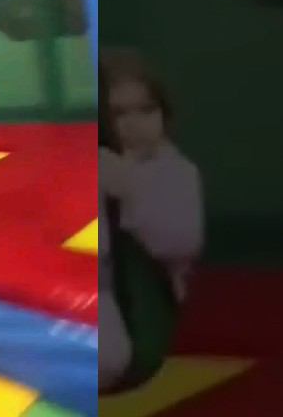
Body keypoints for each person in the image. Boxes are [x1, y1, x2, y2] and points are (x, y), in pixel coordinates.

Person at [100, 49, 204, 391]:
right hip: (98, 294)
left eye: (147, 109)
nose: (135, 124)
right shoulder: (98, 163)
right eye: (118, 114)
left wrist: (129, 189)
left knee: (107, 358)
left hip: (143, 311)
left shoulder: (177, 171)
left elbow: (180, 243)